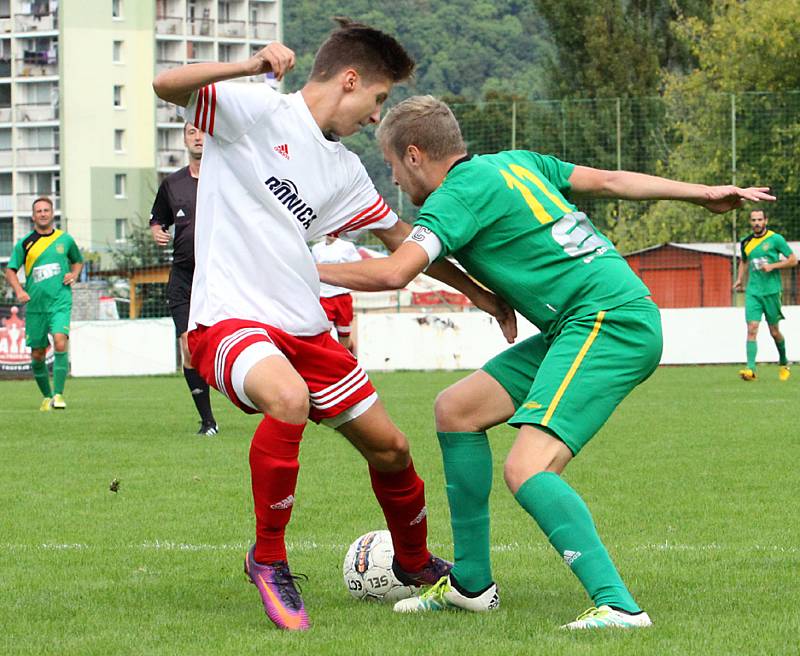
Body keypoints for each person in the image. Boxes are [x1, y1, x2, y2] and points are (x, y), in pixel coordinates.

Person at [316, 95, 776, 629]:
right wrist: (703, 194)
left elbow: (397, 272)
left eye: (394, 166)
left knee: (526, 467)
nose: (395, 178)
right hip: (590, 321)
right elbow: (609, 182)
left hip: (607, 323)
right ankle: (470, 585)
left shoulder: (454, 198)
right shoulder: (517, 162)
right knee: (457, 410)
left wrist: (305, 271)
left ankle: (620, 606)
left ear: (414, 155)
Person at [152, 23, 509, 631]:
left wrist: (484, 295)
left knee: (392, 449)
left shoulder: (345, 172)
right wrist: (246, 65)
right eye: (376, 101)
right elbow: (164, 84)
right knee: (287, 399)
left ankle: (415, 563)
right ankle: (267, 559)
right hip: (229, 318)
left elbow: (407, 245)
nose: (377, 119)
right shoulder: (253, 110)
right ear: (350, 81)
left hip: (305, 328)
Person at [150, 122, 219, 435]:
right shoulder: (172, 183)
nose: (197, 137)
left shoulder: (227, 177)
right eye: (192, 132)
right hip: (183, 276)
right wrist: (157, 232)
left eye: (202, 131)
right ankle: (207, 421)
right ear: (184, 139)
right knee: (187, 347)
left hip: (221, 274)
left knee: (226, 342)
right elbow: (158, 218)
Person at [4, 197, 83, 411]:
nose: (42, 214)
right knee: (37, 353)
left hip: (60, 301)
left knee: (59, 341)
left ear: (52, 214)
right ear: (33, 216)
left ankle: (58, 395)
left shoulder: (64, 240)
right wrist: (19, 290)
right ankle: (47, 396)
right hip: (36, 306)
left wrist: (74, 274)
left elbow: (78, 260)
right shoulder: (25, 243)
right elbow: (10, 270)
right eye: (38, 211)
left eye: (46, 210)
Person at [733, 208, 796, 381]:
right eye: (753, 220)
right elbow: (743, 261)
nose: (757, 223)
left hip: (772, 291)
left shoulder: (775, 239)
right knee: (752, 328)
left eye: (759, 220)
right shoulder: (746, 242)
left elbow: (793, 259)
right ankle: (751, 369)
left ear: (765, 221)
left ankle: (783, 362)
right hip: (753, 292)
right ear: (750, 222)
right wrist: (739, 279)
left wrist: (773, 266)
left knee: (774, 332)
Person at [311, 235, 361, 351]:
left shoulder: (347, 246)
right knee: (323, 336)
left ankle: (351, 357)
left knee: (344, 341)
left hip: (342, 296)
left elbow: (357, 266)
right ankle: (327, 366)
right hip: (324, 297)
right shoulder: (316, 248)